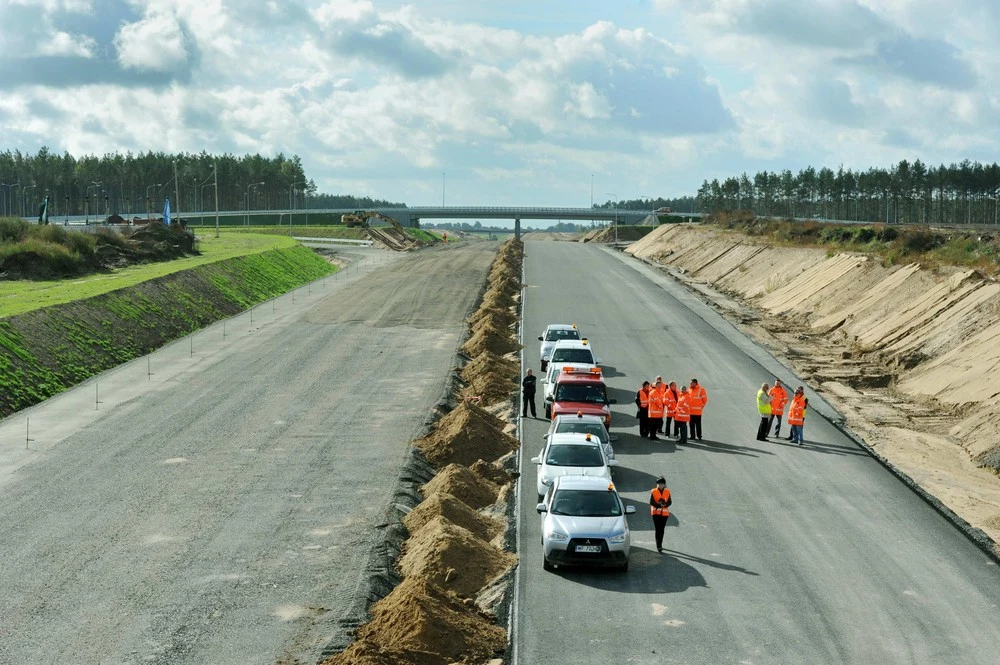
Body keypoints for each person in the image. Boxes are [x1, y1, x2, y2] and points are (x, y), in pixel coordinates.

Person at [650, 476, 672, 553]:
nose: (660, 485)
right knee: (657, 529)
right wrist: (659, 505)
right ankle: (658, 545)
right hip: (656, 513)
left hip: (664, 514)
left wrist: (665, 505)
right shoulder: (653, 491)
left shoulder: (667, 491)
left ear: (664, 484)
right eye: (659, 484)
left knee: (662, 529)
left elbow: (670, 502)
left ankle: (660, 544)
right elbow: (651, 502)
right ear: (657, 484)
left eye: (662, 484)